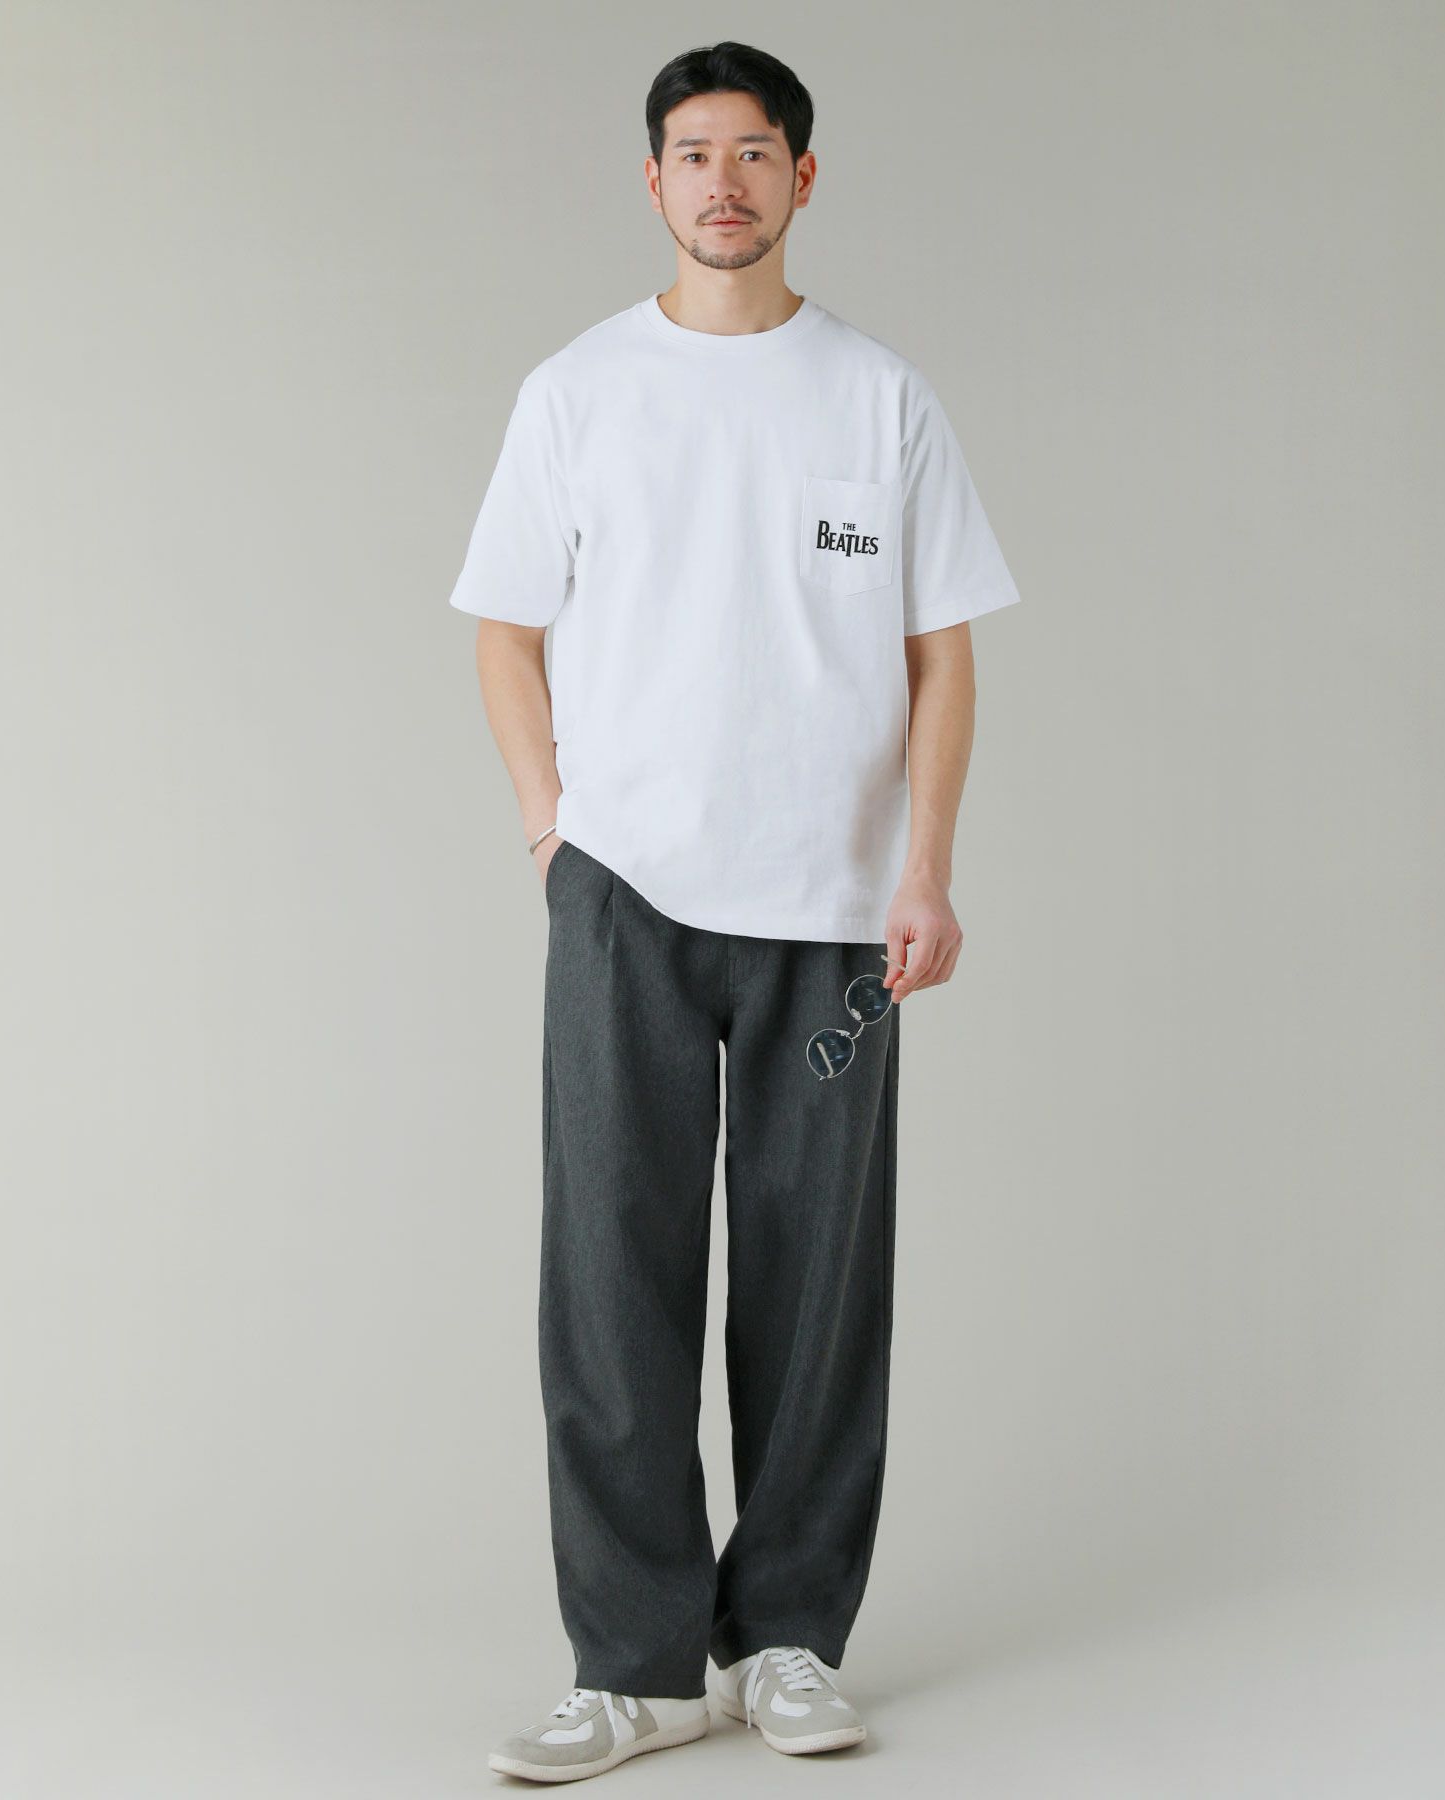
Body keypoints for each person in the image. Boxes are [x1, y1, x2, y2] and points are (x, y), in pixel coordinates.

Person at [448, 40, 1020, 1784]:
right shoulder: (577, 393)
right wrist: (552, 829)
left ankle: (786, 1641)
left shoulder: (880, 400)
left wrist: (925, 867)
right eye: (693, 153)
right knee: (609, 1276)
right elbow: (504, 629)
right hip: (625, 896)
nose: (723, 182)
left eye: (755, 152)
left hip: (837, 918)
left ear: (802, 178)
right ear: (653, 182)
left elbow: (941, 657)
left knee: (817, 1286)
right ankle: (632, 1666)